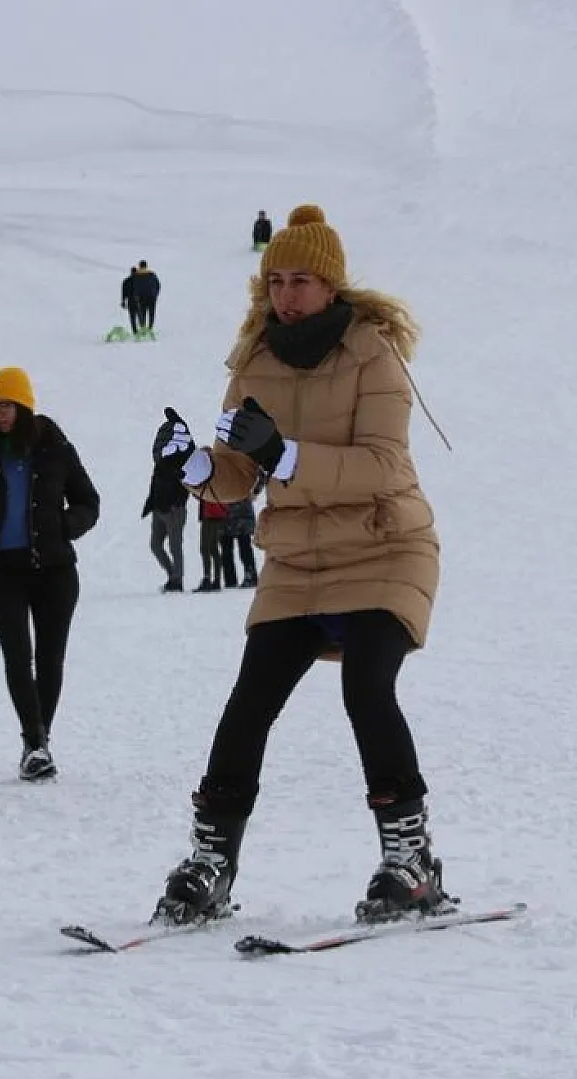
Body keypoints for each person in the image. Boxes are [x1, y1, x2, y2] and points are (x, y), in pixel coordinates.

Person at [151, 204, 447, 927]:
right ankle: (211, 862)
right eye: (275, 280)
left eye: (302, 281)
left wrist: (281, 453)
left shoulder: (372, 353)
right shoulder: (254, 359)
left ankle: (411, 861)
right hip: (297, 558)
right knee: (250, 700)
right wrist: (194, 465)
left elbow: (382, 465)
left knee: (365, 686)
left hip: (384, 542)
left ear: (332, 286)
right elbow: (233, 476)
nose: (286, 295)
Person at [0, 367, 101, 782]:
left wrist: (66, 526)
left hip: (54, 570)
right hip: (0, 575)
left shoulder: (55, 449)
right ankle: (34, 739)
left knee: (51, 659)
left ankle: (38, 743)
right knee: (18, 657)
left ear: (23, 404)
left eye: (4, 405)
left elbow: (88, 501)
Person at [143, 409, 192, 592]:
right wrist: (150, 504)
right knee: (155, 545)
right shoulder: (161, 460)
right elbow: (154, 484)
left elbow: (186, 484)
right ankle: (173, 575)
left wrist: (178, 503)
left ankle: (177, 581)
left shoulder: (182, 459)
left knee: (175, 546)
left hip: (174, 510)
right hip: (159, 508)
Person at [194, 495, 229, 592]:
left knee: (205, 548)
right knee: (213, 548)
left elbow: (202, 493)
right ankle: (216, 579)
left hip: (211, 512)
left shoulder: (209, 480)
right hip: (218, 511)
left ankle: (207, 578)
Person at [224, 496, 259, 588]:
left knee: (244, 547)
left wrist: (254, 492)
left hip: (241, 513)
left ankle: (250, 574)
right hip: (229, 511)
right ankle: (230, 578)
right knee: (227, 548)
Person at [131, 260, 161, 335]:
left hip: (141, 297)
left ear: (139, 266)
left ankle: (143, 328)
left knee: (142, 313)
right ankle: (150, 328)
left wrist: (136, 296)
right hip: (151, 297)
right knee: (151, 313)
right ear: (146, 266)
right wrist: (155, 294)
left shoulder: (136, 276)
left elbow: (135, 287)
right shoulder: (152, 274)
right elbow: (158, 285)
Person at [121, 266, 140, 335]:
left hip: (130, 301)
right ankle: (142, 330)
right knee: (140, 316)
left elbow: (123, 292)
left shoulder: (126, 281)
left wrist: (123, 301)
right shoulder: (140, 281)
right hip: (139, 301)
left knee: (132, 317)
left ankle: (135, 331)